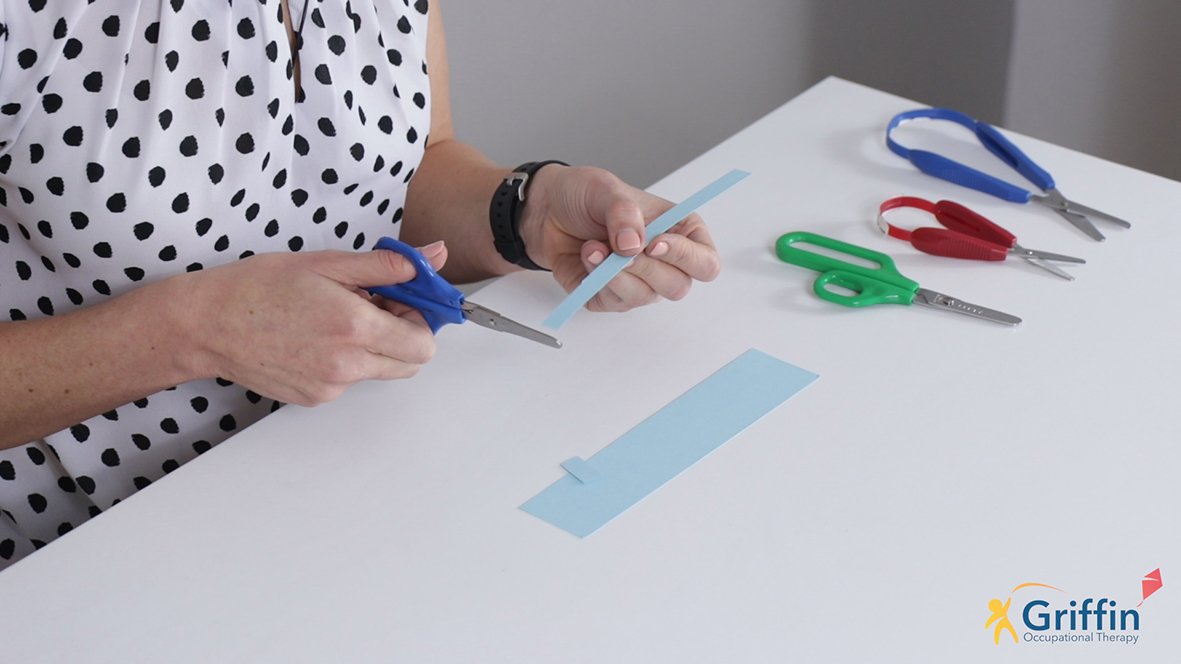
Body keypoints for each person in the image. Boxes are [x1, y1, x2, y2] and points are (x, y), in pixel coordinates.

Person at [0, 1, 720, 570]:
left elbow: (404, 171)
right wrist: (190, 332)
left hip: (346, 487)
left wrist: (525, 209)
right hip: (80, 546)